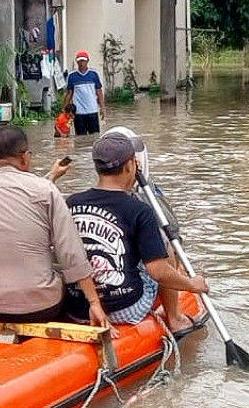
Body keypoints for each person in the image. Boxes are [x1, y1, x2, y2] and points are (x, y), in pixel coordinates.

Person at [0, 125, 110, 327]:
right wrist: (94, 302)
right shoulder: (47, 191)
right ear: (26, 157)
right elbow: (71, 253)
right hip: (43, 305)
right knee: (59, 277)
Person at [64, 131, 208, 334]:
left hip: (78, 306)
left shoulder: (71, 202)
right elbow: (158, 272)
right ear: (132, 165)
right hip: (125, 308)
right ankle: (174, 318)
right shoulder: (140, 210)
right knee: (165, 247)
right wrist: (192, 285)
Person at [64, 50, 105, 135]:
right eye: (79, 61)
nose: (81, 63)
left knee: (94, 136)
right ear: (77, 61)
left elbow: (99, 91)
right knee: (80, 137)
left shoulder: (94, 74)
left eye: (83, 60)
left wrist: (102, 107)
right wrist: (65, 110)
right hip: (79, 113)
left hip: (92, 111)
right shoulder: (72, 76)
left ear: (87, 61)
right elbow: (69, 93)